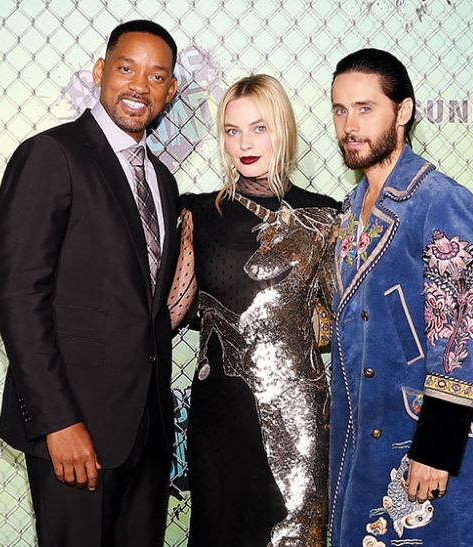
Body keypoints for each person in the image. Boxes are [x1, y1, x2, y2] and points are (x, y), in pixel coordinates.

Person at [0, 20, 180, 547]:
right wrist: (57, 422)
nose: (139, 85)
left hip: (146, 434)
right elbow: (18, 295)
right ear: (100, 71)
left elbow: (145, 305)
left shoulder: (162, 181)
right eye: (126, 68)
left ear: (170, 91)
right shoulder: (51, 155)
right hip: (75, 433)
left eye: (156, 76)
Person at [328, 48, 473, 547]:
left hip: (417, 439)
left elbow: (467, 328)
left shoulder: (439, 200)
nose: (350, 125)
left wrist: (437, 445)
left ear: (402, 112)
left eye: (365, 108)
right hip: (360, 435)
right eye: (340, 110)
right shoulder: (351, 208)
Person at [167, 74, 340, 547]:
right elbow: (174, 309)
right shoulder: (199, 213)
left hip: (298, 414)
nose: (244, 144)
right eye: (232, 130)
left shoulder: (325, 216)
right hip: (220, 413)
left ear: (282, 129)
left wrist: (284, 330)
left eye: (259, 128)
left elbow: (336, 322)